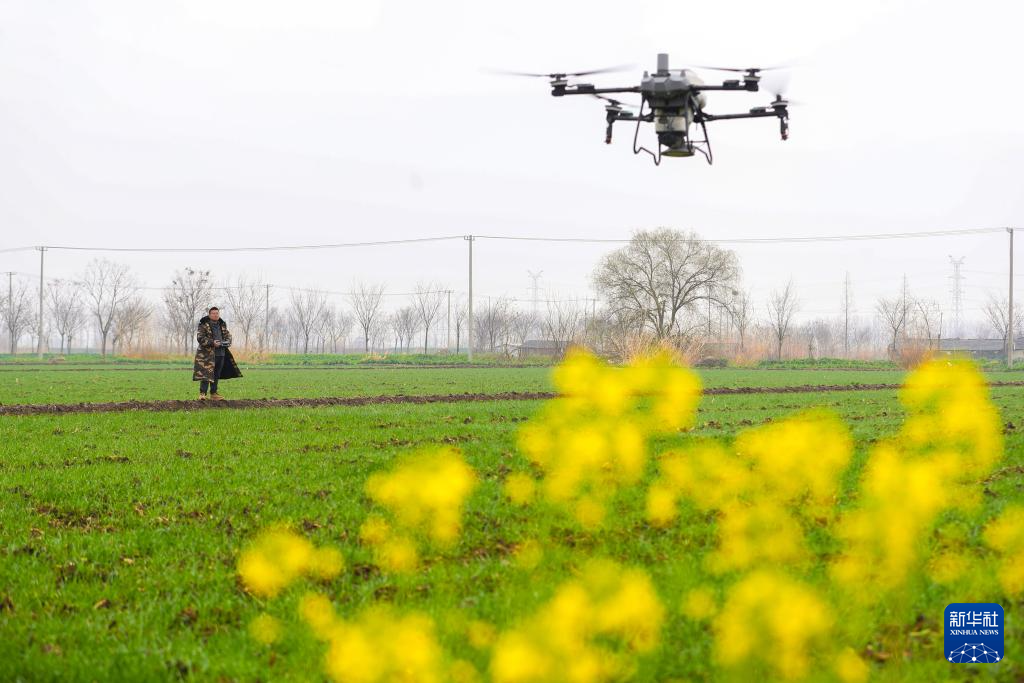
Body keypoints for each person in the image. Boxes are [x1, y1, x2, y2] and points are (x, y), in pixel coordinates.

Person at [192, 307, 242, 400]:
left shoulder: (222, 324)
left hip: (221, 354)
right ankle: (202, 394)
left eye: (217, 313)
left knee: (216, 375)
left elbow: (228, 335)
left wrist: (227, 341)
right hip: (207, 355)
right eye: (213, 313)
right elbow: (200, 338)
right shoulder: (203, 324)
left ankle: (213, 394)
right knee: (206, 374)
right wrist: (212, 342)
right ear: (209, 314)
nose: (216, 315)